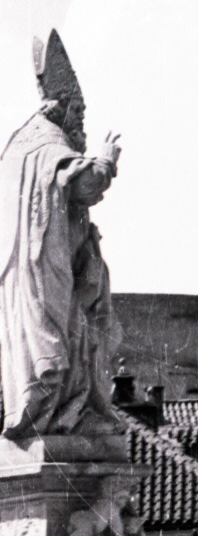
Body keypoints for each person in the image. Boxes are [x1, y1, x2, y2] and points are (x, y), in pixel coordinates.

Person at [0, 31, 121, 440]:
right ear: (64, 109)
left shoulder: (18, 147)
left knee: (73, 345)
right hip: (47, 280)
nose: (81, 124)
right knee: (68, 353)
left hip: (30, 283)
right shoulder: (48, 143)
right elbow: (81, 182)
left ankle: (59, 410)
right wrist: (105, 160)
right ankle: (68, 411)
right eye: (80, 113)